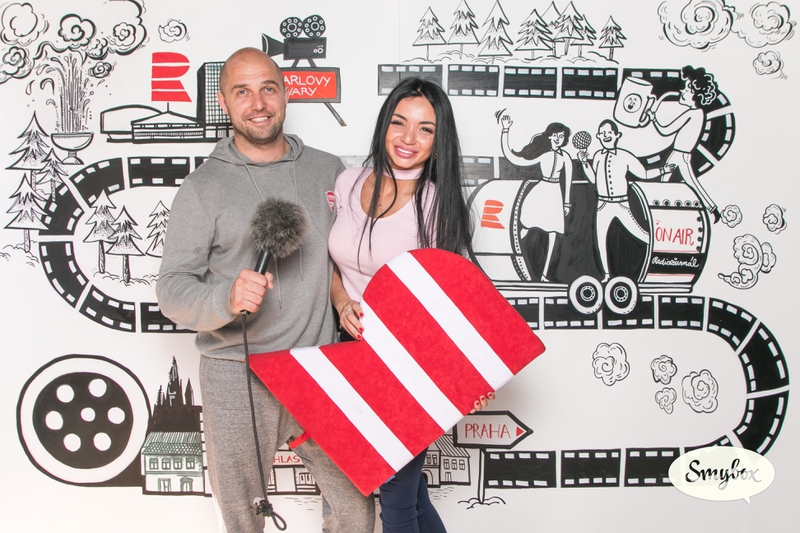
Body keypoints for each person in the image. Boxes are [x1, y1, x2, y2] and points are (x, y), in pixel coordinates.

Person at [156, 47, 374, 533]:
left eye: (268, 89)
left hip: (320, 367)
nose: (258, 104)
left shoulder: (327, 169)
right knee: (244, 517)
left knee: (356, 510)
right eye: (242, 92)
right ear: (224, 102)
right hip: (238, 374)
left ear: (286, 94)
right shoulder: (202, 187)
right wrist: (225, 298)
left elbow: (344, 257)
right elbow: (171, 288)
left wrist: (343, 301)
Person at [328, 77, 484, 533]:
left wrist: (468, 374)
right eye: (399, 123)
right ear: (384, 125)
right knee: (410, 496)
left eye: (425, 129)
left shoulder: (437, 203)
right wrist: (342, 303)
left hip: (410, 362)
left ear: (439, 141)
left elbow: (450, 300)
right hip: (354, 355)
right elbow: (333, 263)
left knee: (395, 499)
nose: (408, 138)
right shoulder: (348, 181)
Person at [578, 119, 674, 281]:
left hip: (621, 204)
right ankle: (606, 276)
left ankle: (663, 256)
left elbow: (644, 174)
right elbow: (593, 179)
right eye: (602, 133)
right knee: (601, 240)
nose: (606, 136)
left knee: (641, 234)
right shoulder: (598, 156)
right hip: (602, 205)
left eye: (609, 132)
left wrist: (663, 170)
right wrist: (584, 162)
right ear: (598, 136)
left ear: (617, 135)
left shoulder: (625, 156)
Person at [499, 117, 573, 281]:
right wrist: (505, 130)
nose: (558, 139)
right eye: (556, 135)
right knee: (524, 226)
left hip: (555, 195)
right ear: (549, 136)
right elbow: (513, 158)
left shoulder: (566, 157)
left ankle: (545, 275)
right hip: (540, 192)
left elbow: (568, 181)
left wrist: (567, 202)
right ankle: (508, 258)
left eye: (561, 136)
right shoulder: (543, 155)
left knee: (553, 233)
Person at [646, 65, 721, 223]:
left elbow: (666, 130)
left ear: (696, 95)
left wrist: (653, 118)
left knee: (682, 183)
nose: (682, 91)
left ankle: (710, 210)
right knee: (669, 182)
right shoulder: (698, 113)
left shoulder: (692, 114)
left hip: (680, 155)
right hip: (679, 154)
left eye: (687, 89)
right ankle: (710, 209)